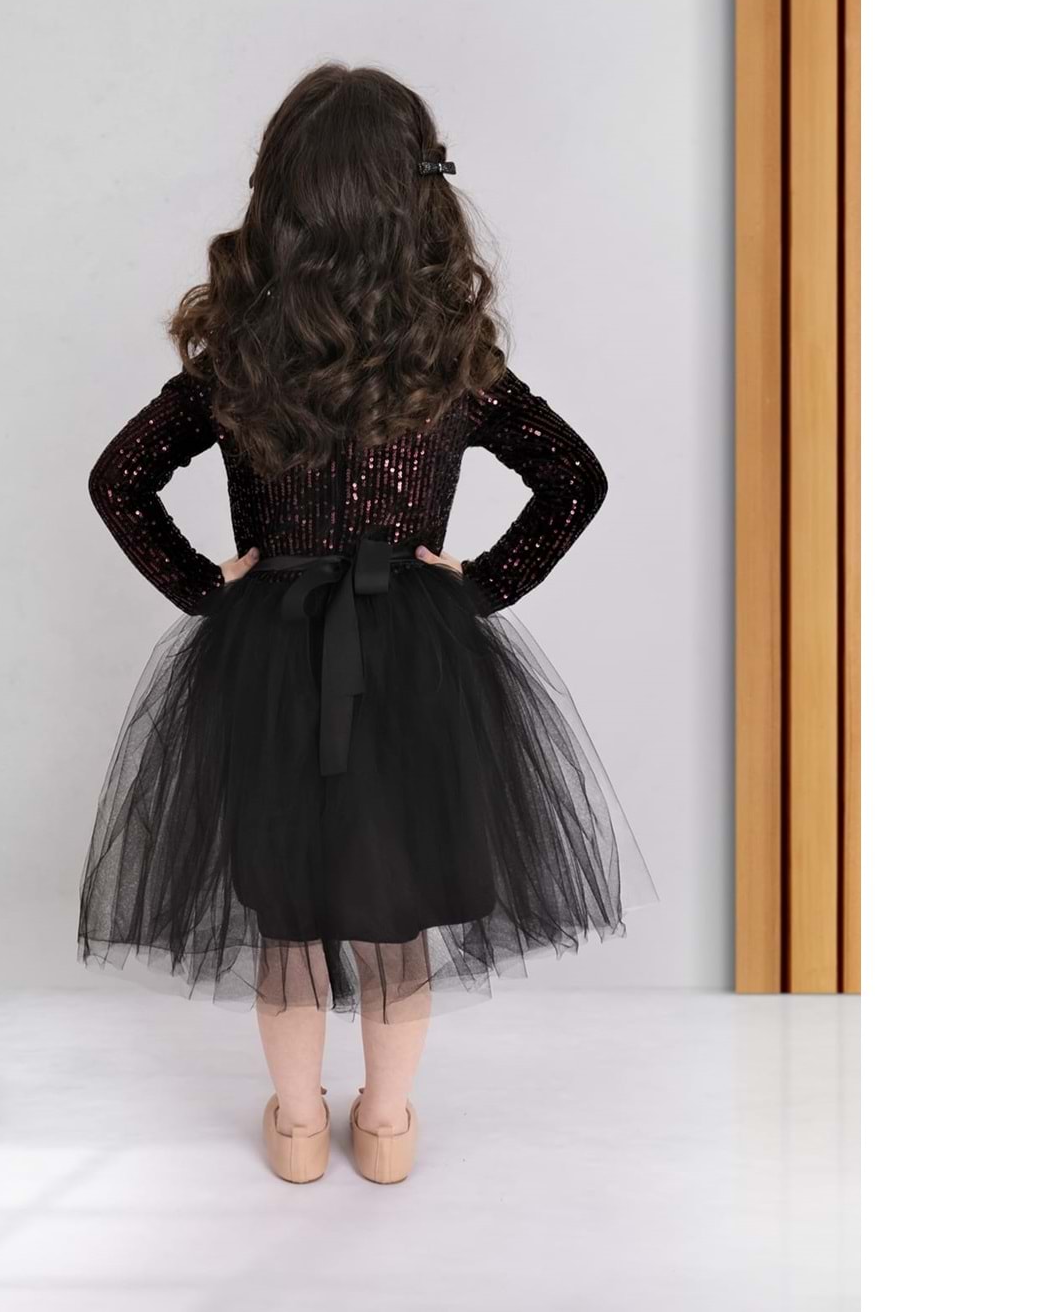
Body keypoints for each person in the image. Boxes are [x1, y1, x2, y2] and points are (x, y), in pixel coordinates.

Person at [81, 63, 654, 1185]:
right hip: (412, 653)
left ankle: (299, 1126)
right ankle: (385, 1126)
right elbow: (574, 478)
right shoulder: (451, 358)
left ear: (281, 197)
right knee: (396, 908)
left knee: (288, 909)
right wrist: (477, 584)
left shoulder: (239, 356)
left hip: (268, 650)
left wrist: (209, 586)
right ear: (417, 196)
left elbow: (119, 480)